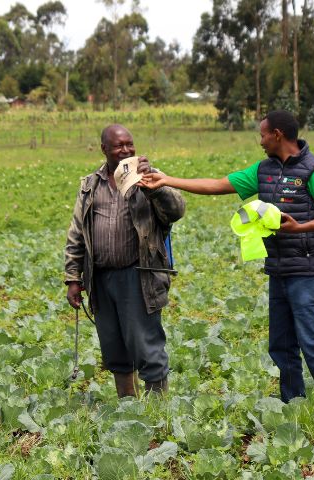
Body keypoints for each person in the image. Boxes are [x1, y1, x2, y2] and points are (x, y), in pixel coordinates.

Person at [142, 110, 314, 420]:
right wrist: (166, 180)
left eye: (262, 134)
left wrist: (299, 228)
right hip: (279, 268)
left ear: (278, 135)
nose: (260, 141)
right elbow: (218, 184)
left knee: (312, 341)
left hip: (308, 269)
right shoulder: (264, 170)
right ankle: (293, 407)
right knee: (281, 345)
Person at [64, 124, 185, 397]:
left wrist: (154, 184)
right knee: (113, 344)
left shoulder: (148, 179)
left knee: (146, 343)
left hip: (138, 275)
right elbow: (76, 234)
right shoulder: (90, 185)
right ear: (104, 149)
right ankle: (127, 404)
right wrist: (73, 278)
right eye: (119, 146)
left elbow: (177, 211)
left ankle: (157, 410)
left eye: (129, 144)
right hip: (101, 278)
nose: (126, 150)